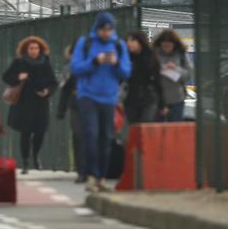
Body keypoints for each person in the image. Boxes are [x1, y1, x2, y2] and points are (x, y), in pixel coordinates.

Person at [71, 11, 131, 193]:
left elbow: (126, 72)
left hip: (109, 97)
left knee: (106, 138)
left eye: (109, 29)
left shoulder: (119, 45)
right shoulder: (86, 43)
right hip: (88, 96)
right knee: (91, 134)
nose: (106, 33)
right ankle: (91, 175)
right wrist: (95, 61)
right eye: (103, 29)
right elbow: (76, 68)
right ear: (97, 28)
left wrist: (115, 63)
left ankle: (101, 178)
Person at [2, 36, 58, 174]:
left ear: (40, 49)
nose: (34, 51)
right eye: (31, 48)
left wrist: (47, 91)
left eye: (36, 48)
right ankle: (26, 162)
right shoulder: (19, 62)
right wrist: (18, 77)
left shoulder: (45, 63)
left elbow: (53, 83)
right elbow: (6, 77)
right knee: (25, 133)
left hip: (41, 102)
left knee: (40, 132)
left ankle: (36, 155)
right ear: (26, 50)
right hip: (24, 103)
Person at [56, 45, 87, 184]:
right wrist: (61, 110)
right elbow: (66, 88)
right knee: (78, 135)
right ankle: (81, 171)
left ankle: (94, 170)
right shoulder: (73, 69)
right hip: (76, 105)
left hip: (96, 105)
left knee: (93, 136)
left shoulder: (98, 66)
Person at [152, 30, 192, 122]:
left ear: (174, 44)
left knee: (175, 126)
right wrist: (158, 68)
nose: (167, 48)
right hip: (158, 98)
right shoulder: (154, 53)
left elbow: (189, 73)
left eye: (169, 46)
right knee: (158, 126)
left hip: (177, 98)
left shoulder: (181, 54)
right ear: (160, 44)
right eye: (164, 46)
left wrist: (176, 69)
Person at [124, 31, 164, 124]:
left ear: (140, 42)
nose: (129, 43)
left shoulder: (150, 58)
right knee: (133, 125)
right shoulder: (126, 58)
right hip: (131, 98)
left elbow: (157, 81)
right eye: (128, 41)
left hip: (148, 98)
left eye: (132, 40)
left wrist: (162, 103)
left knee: (145, 123)